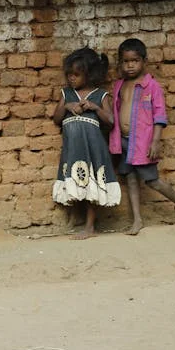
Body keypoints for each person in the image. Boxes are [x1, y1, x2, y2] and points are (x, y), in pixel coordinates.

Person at [109, 38, 175, 235]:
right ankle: (137, 220)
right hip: (124, 142)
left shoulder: (151, 86)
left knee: (151, 180)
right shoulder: (119, 85)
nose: (130, 65)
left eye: (134, 61)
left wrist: (155, 141)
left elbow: (160, 115)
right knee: (130, 178)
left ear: (144, 61)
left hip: (143, 142)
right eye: (125, 61)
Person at [52, 47, 121, 240]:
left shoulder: (101, 95)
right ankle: (77, 219)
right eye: (69, 75)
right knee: (75, 181)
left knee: (92, 184)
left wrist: (94, 107)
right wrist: (66, 106)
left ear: (89, 75)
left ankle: (90, 227)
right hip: (73, 149)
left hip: (93, 148)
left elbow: (110, 121)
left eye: (76, 74)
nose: (72, 78)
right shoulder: (67, 94)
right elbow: (56, 119)